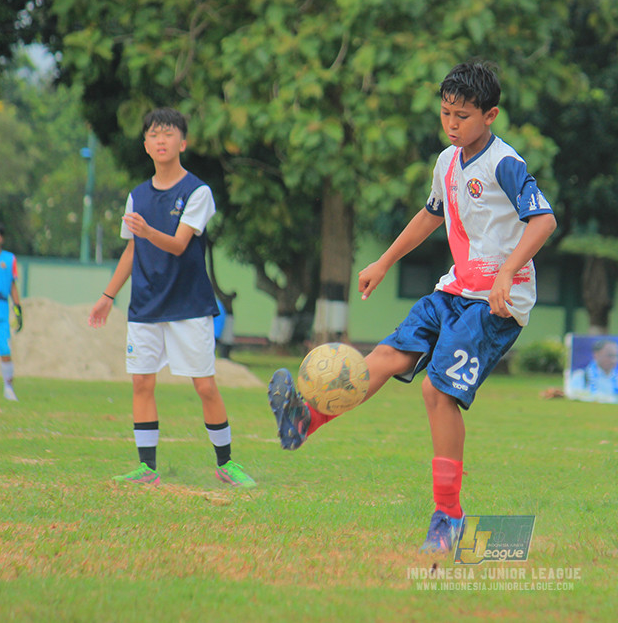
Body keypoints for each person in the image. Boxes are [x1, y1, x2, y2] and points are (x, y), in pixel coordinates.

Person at [268, 61, 556, 553]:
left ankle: (449, 517)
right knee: (384, 358)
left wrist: (507, 272)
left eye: (462, 115)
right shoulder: (447, 162)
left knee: (435, 392)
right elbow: (430, 216)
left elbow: (543, 222)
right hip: (452, 291)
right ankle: (304, 422)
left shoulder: (504, 163)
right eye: (445, 113)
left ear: (491, 115)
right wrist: (383, 262)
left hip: (495, 305)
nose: (451, 123)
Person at [88, 108, 255, 489]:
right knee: (142, 383)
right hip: (145, 305)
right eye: (153, 134)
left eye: (168, 134)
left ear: (183, 142)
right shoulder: (137, 196)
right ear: (146, 145)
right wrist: (107, 296)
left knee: (205, 385)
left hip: (188, 305)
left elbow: (180, 245)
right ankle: (147, 469)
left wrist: (147, 232)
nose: (160, 140)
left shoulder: (197, 192)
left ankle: (225, 464)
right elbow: (131, 250)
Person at [0, 221, 22, 401]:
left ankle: (8, 387)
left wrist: (18, 309)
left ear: (1, 238)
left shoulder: (9, 259)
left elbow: (13, 285)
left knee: (5, 350)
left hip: (1, 312)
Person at [569, 338, 618, 403]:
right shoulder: (581, 377)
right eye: (610, 356)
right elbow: (574, 397)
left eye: (617, 356)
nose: (614, 360)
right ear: (596, 355)